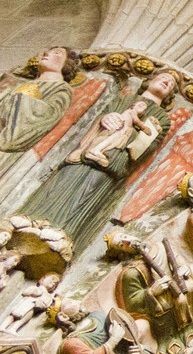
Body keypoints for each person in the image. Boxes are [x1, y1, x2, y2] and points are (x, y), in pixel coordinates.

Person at [24, 72, 174, 249]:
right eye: (163, 77)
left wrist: (129, 132)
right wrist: (105, 119)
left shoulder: (162, 118)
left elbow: (148, 145)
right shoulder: (125, 99)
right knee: (65, 179)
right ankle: (32, 219)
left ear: (169, 96)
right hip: (88, 150)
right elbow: (103, 116)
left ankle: (61, 233)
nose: (167, 81)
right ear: (149, 81)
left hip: (112, 161)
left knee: (88, 190)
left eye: (171, 84)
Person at [105, 232, 193, 354]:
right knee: (179, 301)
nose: (128, 242)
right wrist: (152, 292)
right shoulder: (131, 272)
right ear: (122, 253)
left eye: (126, 237)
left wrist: (183, 267)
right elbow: (131, 301)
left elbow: (176, 258)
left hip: (177, 281)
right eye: (122, 244)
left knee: (192, 287)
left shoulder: (159, 247)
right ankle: (183, 335)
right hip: (160, 296)